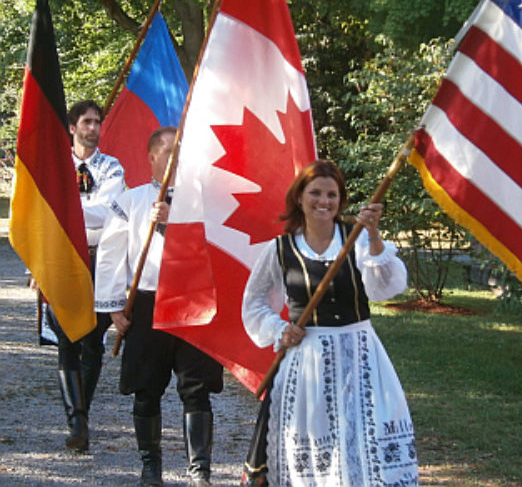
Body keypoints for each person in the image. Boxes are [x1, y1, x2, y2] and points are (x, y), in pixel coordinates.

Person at [240, 159, 418, 487]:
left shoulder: (359, 239)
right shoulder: (280, 249)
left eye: (332, 195)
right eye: (316, 193)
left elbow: (388, 287)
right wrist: (280, 329)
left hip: (360, 354)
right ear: (299, 198)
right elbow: (253, 304)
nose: (324, 201)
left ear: (341, 200)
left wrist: (375, 235)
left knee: (365, 438)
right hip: (307, 359)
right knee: (313, 441)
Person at [94, 127, 223, 487]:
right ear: (151, 157)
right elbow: (110, 255)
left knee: (196, 387)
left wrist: (177, 222)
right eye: (167, 152)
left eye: (181, 152)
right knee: (146, 387)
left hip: (193, 302)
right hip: (148, 303)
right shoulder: (130, 202)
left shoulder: (205, 204)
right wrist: (114, 307)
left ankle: (200, 470)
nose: (175, 159)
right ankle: (151, 467)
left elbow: (218, 249)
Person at [41, 99, 125, 452]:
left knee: (92, 341)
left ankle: (82, 414)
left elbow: (107, 213)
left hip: (100, 260)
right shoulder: (54, 167)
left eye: (97, 122)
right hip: (61, 259)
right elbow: (42, 210)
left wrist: (67, 209)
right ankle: (77, 422)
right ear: (72, 127)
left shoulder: (112, 167)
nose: (93, 128)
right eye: (86, 122)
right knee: (66, 339)